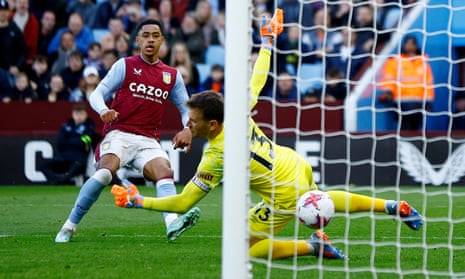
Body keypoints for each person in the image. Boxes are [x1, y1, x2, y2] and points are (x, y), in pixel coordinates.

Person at [111, 9, 423, 261]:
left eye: (192, 121)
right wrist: (268, 41)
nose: (187, 125)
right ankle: (392, 207)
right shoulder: (237, 110)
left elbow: (182, 203)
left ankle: (313, 247)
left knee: (246, 247)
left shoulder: (215, 156)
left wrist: (141, 202)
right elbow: (258, 77)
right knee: (320, 198)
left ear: (213, 125)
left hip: (282, 194)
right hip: (293, 163)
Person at [55, 19, 200, 243]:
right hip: (119, 134)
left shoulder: (171, 75)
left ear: (162, 40)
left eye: (155, 35)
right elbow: (96, 94)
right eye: (146, 35)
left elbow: (185, 109)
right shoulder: (125, 65)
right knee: (104, 173)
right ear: (138, 40)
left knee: (164, 171)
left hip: (148, 140)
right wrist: (103, 110)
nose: (150, 39)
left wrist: (187, 128)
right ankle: (69, 226)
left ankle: (172, 224)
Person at [378, 35, 435, 131]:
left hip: (418, 104)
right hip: (401, 102)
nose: (409, 46)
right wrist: (388, 92)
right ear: (403, 45)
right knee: (404, 128)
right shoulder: (395, 61)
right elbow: (388, 78)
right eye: (407, 43)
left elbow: (428, 83)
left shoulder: (423, 62)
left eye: (412, 43)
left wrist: (428, 101)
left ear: (416, 45)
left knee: (416, 129)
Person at [40, 103, 96, 185]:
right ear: (73, 114)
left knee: (74, 169)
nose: (79, 116)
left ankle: (62, 180)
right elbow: (60, 143)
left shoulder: (89, 127)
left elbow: (83, 142)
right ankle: (59, 180)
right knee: (43, 166)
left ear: (86, 114)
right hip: (62, 159)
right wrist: (76, 139)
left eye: (81, 114)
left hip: (78, 160)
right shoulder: (66, 126)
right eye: (76, 114)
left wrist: (69, 139)